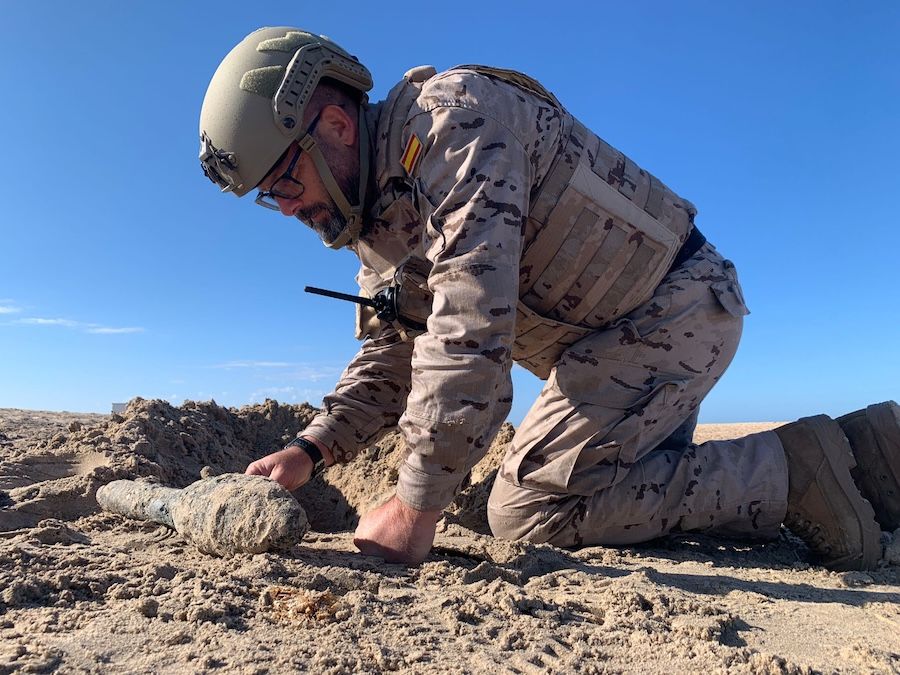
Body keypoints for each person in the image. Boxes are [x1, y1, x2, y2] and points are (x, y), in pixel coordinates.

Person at [198, 27, 899, 568]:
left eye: (283, 185)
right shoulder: (377, 226)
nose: (286, 209)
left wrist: (415, 507)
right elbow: (395, 357)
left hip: (673, 311)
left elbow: (470, 329)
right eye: (269, 199)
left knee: (530, 511)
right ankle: (864, 456)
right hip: (606, 353)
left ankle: (798, 471)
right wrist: (311, 448)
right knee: (606, 504)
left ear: (335, 129)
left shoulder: (452, 124)